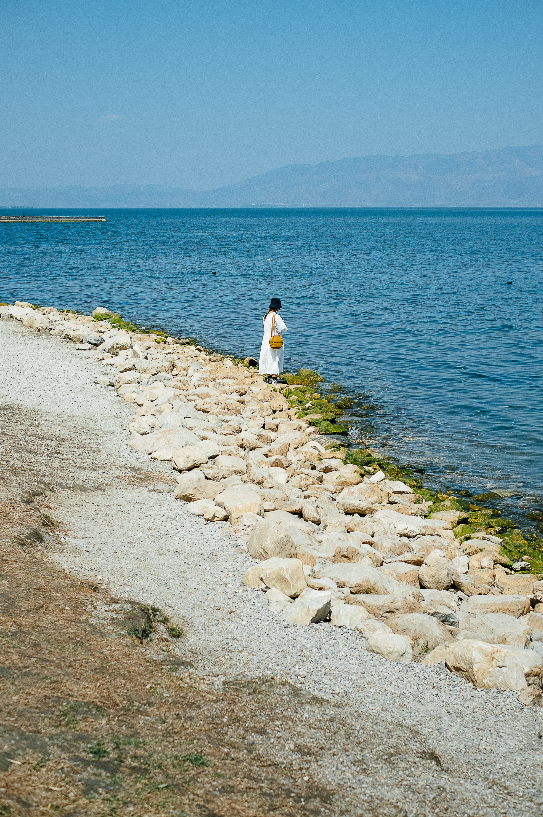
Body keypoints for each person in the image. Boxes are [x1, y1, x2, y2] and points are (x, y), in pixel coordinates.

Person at [259, 297, 288, 384]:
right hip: (274, 339)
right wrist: (282, 321)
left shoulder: (265, 316)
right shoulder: (276, 316)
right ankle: (274, 379)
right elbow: (283, 328)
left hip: (266, 339)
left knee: (267, 357)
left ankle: (268, 377)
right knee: (275, 358)